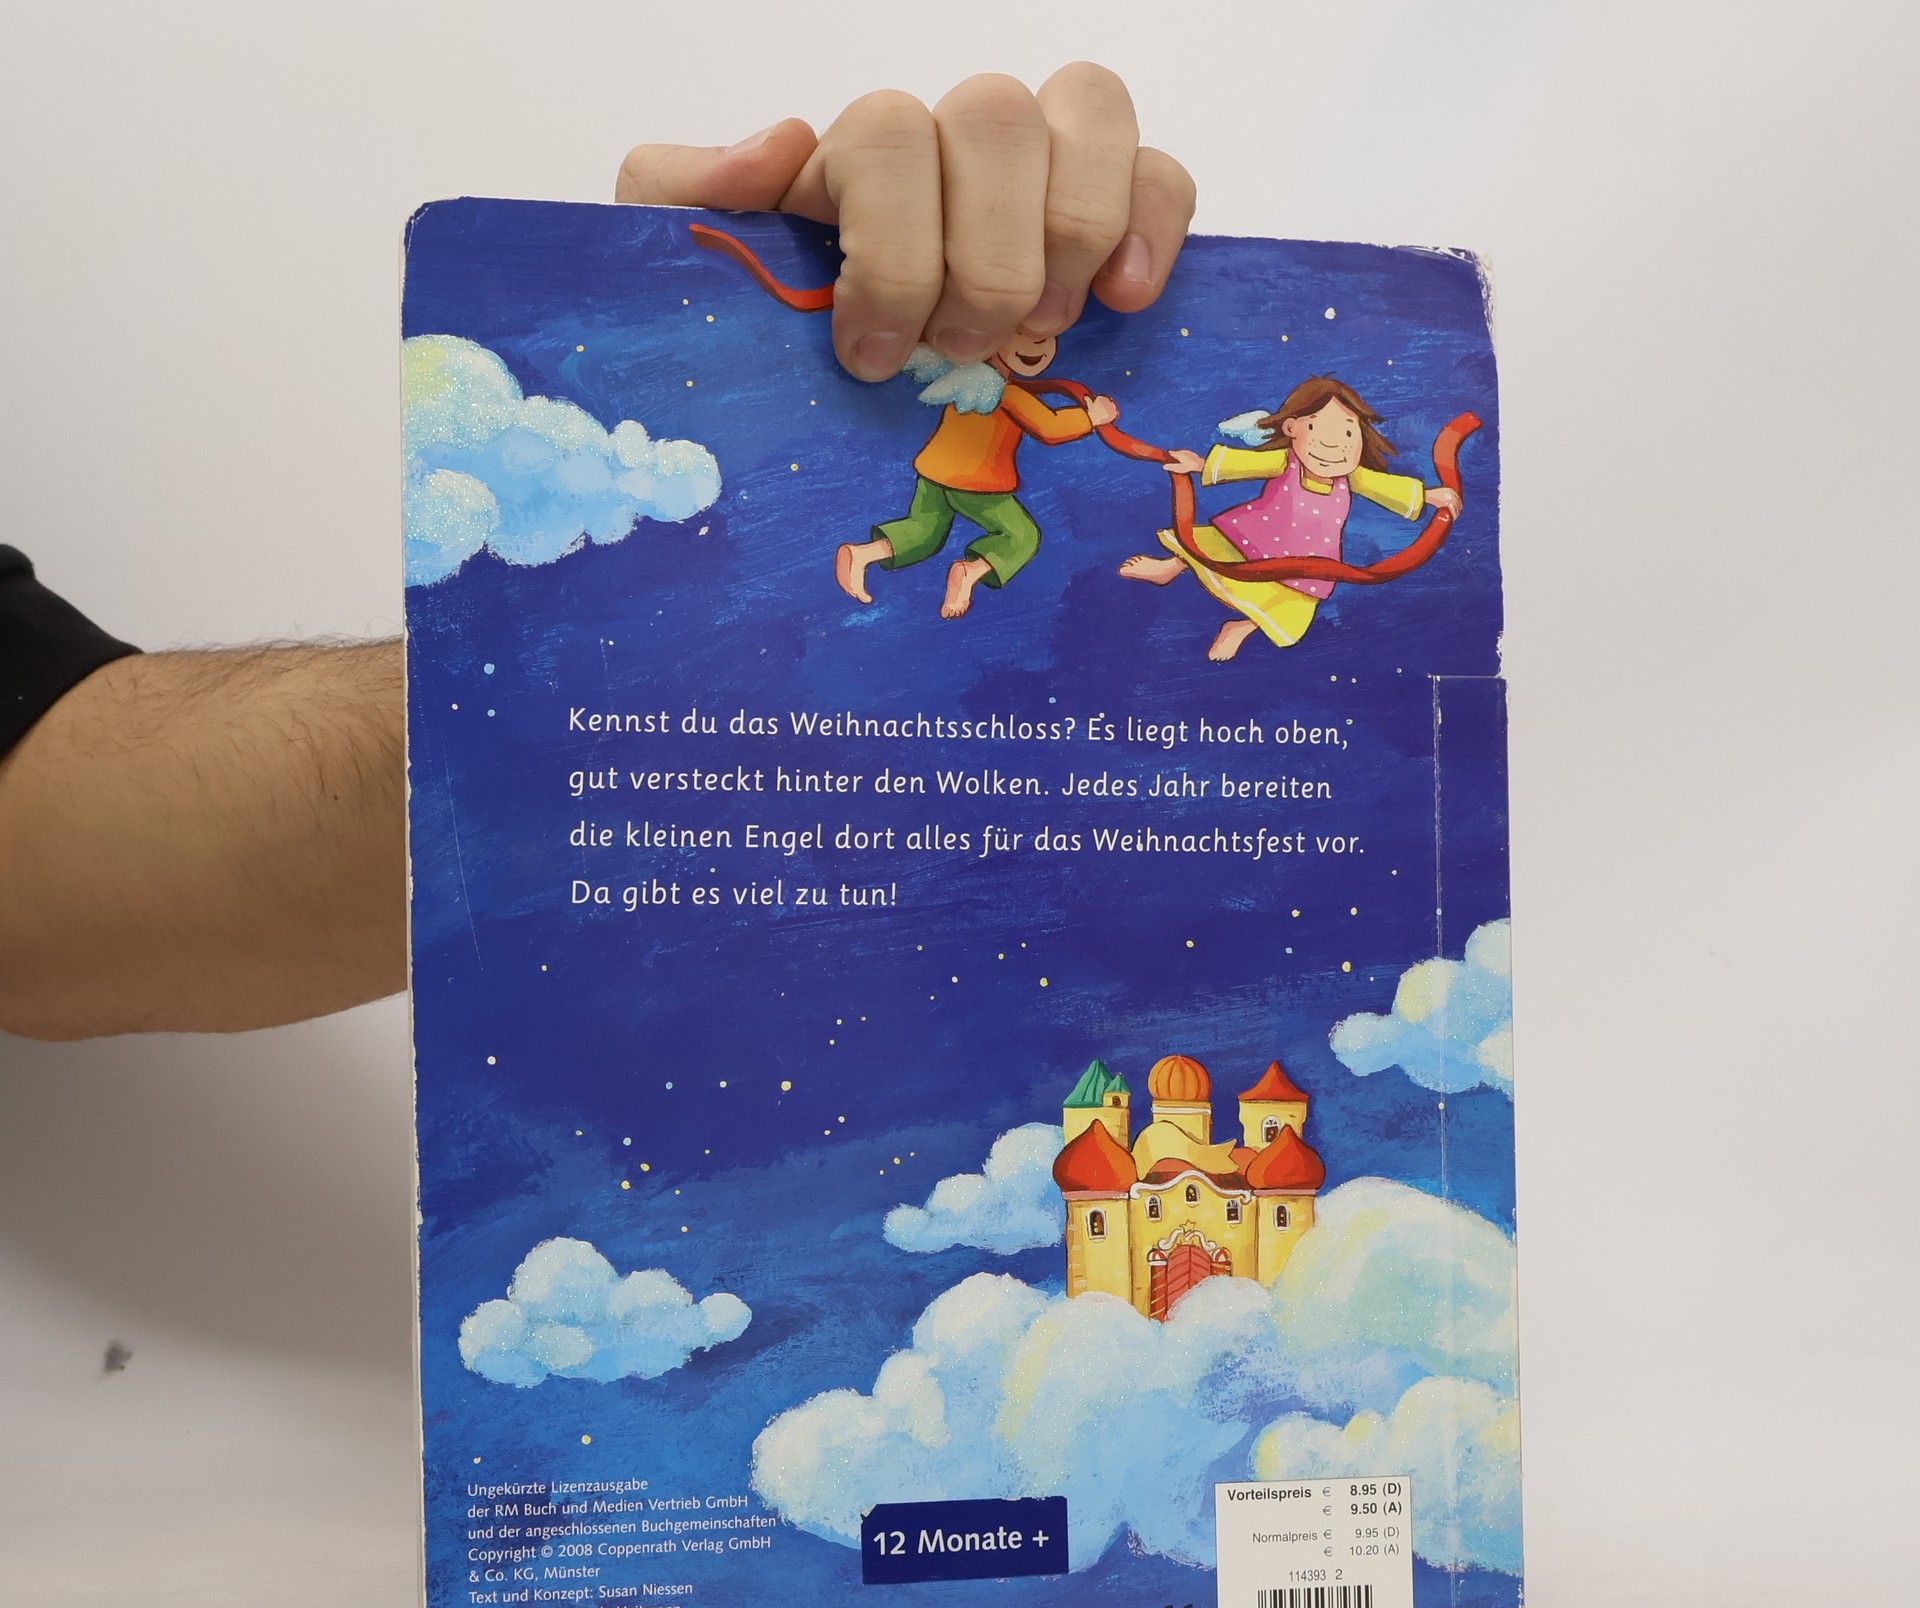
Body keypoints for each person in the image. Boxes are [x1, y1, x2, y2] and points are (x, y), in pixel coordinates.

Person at [0, 67, 1194, 1042]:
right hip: (963, 499)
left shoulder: (990, 388)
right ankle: (925, 566)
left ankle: (890, 561)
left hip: (937, 499)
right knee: (973, 534)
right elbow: (45, 872)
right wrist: (669, 658)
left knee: (937, 532)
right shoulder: (994, 392)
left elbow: (50, 807)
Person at [1119, 375, 1463, 661]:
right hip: (1257, 533)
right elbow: (1244, 465)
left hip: (1310, 560)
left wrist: (1430, 495)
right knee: (1209, 546)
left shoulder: (1353, 476)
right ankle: (1170, 567)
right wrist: (1198, 465)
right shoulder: (1285, 460)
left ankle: (1241, 627)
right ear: (1292, 427)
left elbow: (1385, 487)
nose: (1334, 445)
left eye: (1347, 433)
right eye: (1318, 428)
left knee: (1290, 608)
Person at [834, 326, 1120, 617]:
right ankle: (971, 572)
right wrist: (1092, 417)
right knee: (1021, 535)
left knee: (925, 532)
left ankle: (863, 554)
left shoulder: (964, 377)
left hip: (934, 473)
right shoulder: (1003, 391)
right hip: (975, 484)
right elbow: (1049, 427)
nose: (1036, 345)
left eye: (1045, 338)